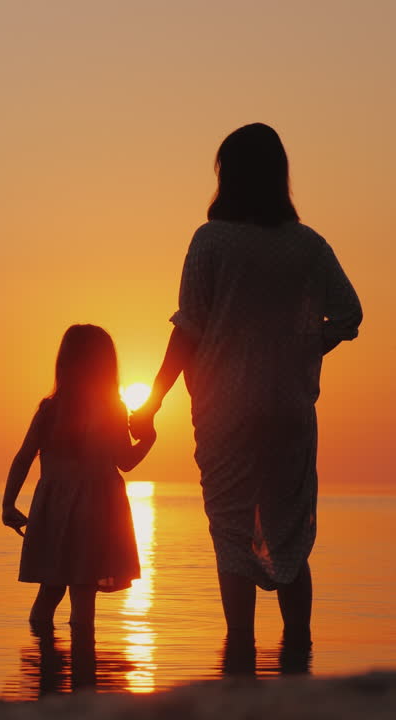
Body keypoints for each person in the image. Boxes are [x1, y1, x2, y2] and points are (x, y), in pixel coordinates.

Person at [131, 123, 362, 647]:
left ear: (227, 177)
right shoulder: (309, 246)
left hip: (228, 415)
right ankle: (297, 658)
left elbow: (189, 329)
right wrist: (301, 348)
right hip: (289, 414)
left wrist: (153, 400)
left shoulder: (211, 241)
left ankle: (240, 658)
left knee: (234, 534)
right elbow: (349, 314)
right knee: (287, 537)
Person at [2, 324, 155, 633]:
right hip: (97, 513)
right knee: (83, 593)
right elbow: (125, 462)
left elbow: (23, 457)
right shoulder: (111, 409)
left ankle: (43, 657)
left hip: (54, 511)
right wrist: (149, 438)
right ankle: (82, 668)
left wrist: (8, 504)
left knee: (51, 588)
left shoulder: (50, 409)